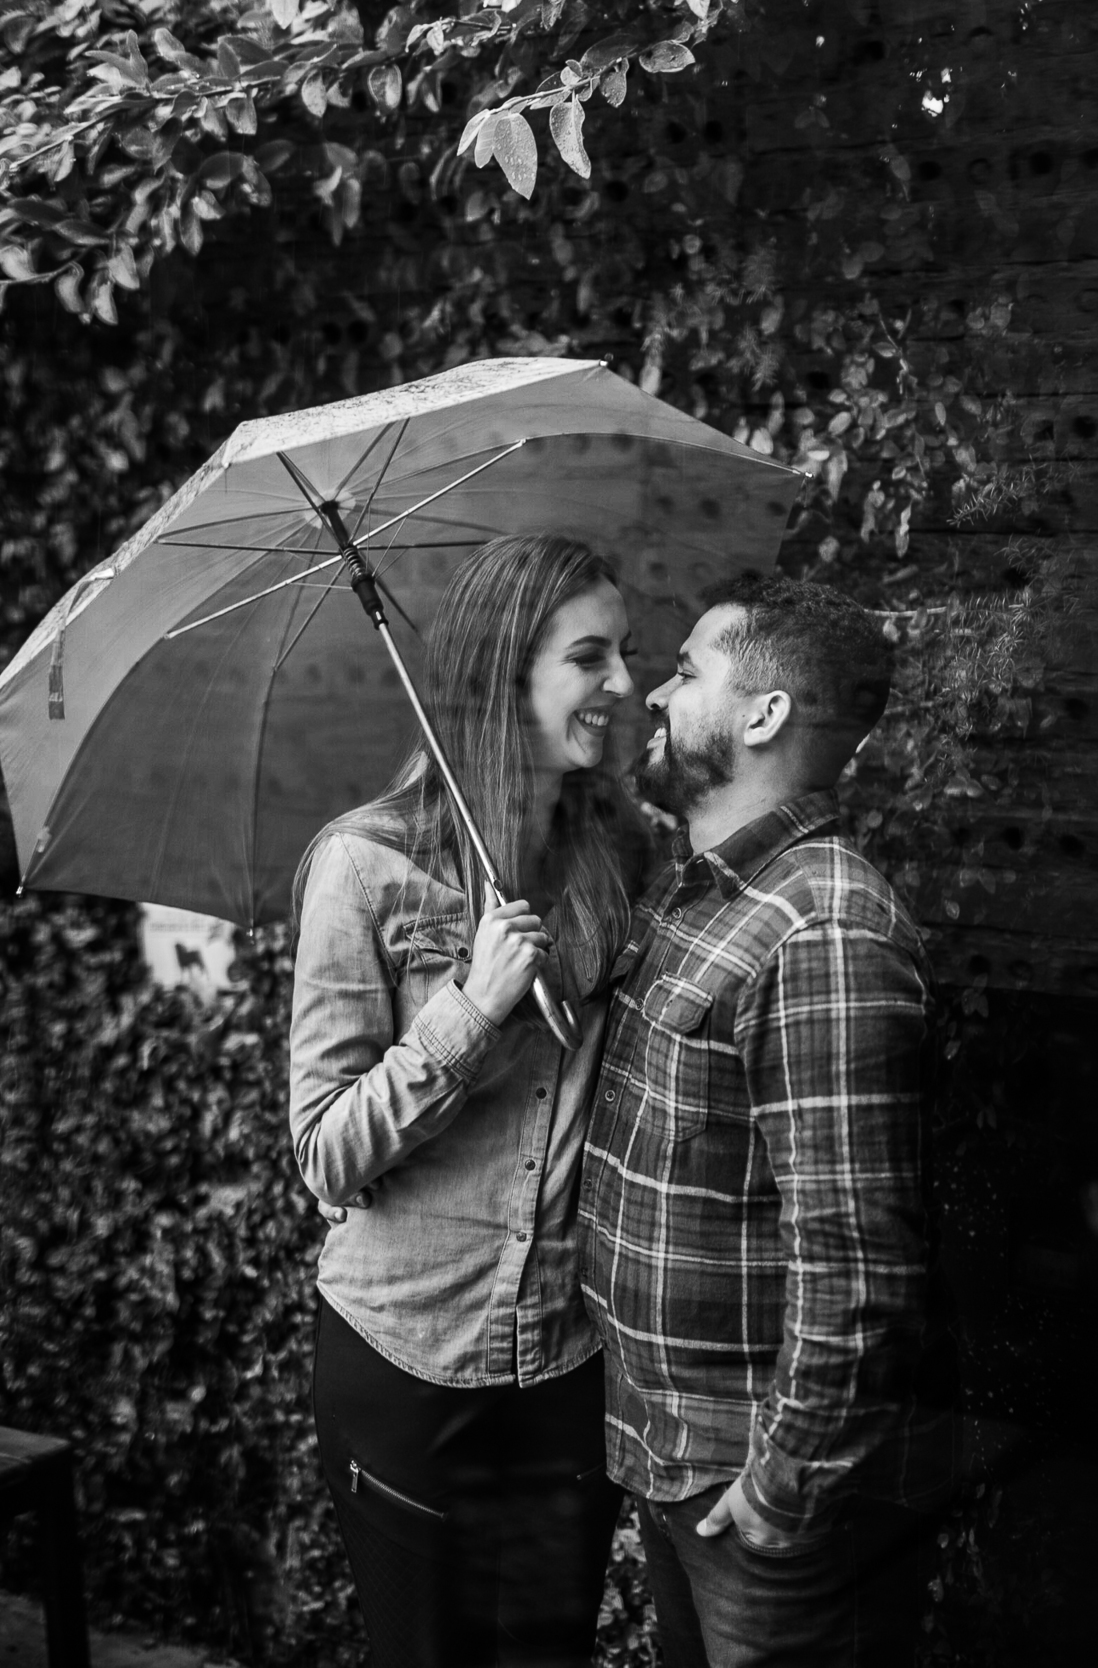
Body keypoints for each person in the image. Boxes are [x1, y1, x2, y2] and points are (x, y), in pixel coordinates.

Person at [579, 573, 958, 1668]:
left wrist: (782, 1491)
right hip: (671, 1455)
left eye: (686, 671)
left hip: (753, 1497)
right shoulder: (697, 893)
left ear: (765, 713)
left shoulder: (823, 928)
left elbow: (857, 1266)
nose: (654, 694)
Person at [289, 533, 648, 1668]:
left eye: (626, 655)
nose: (625, 685)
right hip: (406, 1365)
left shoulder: (623, 856)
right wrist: (470, 1010)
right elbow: (325, 1154)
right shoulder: (364, 866)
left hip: (564, 1362)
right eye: (591, 657)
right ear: (508, 675)